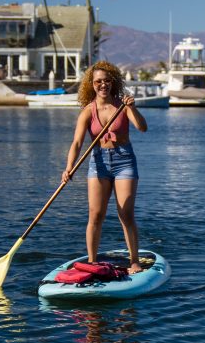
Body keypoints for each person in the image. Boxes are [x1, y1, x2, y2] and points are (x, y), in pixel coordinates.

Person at [63, 61, 148, 273]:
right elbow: (76, 143)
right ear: (91, 85)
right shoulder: (87, 112)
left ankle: (134, 261)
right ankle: (92, 263)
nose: (103, 85)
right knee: (96, 214)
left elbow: (142, 128)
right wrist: (69, 167)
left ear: (113, 83)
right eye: (98, 81)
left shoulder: (122, 105)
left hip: (124, 161)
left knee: (125, 213)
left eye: (107, 80)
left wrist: (132, 108)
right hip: (98, 162)